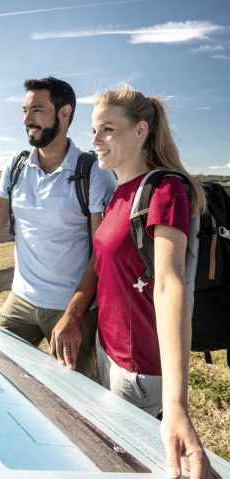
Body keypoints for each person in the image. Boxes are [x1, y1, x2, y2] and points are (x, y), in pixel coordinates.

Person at [0, 76, 116, 378]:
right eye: (25, 110)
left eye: (38, 110)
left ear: (64, 113)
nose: (27, 119)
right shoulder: (16, 166)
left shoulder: (93, 172)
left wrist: (74, 314)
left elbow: (102, 252)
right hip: (21, 300)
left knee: (79, 404)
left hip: (72, 309)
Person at [89, 85, 218, 479]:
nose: (95, 141)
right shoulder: (117, 194)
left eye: (107, 129)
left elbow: (169, 284)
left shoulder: (164, 190)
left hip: (139, 371)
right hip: (108, 352)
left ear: (141, 131)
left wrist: (176, 404)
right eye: (94, 130)